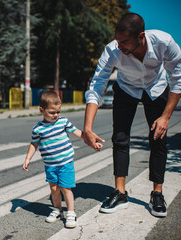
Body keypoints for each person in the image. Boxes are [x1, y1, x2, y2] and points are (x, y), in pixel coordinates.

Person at [83, 13, 181, 217]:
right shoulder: (112, 49)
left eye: (124, 41)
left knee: (158, 138)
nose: (119, 46)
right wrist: (87, 128)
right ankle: (120, 193)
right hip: (126, 88)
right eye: (117, 40)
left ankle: (157, 193)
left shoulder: (165, 43)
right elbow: (97, 85)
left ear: (141, 36)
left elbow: (178, 79)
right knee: (120, 138)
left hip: (156, 87)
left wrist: (165, 117)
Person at [23, 91, 102, 228]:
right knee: (54, 189)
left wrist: (92, 142)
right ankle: (57, 210)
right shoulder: (38, 129)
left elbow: (78, 134)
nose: (56, 115)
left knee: (66, 188)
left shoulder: (63, 122)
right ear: (42, 110)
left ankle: (71, 212)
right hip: (50, 166)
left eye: (58, 111)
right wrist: (28, 158)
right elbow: (34, 144)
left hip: (65, 163)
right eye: (52, 112)